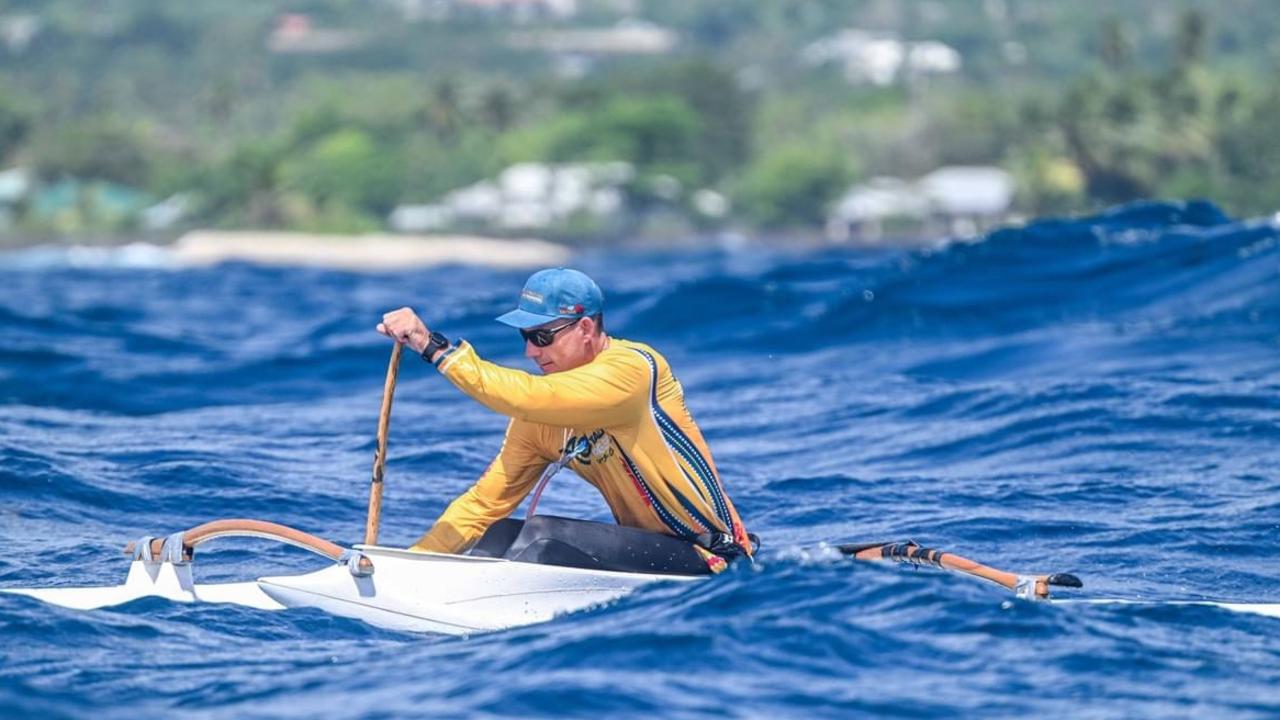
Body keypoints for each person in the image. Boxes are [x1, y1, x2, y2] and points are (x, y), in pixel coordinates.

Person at [376, 267, 753, 573]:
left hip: (713, 558)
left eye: (541, 336)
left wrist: (432, 347)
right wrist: (411, 564)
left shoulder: (631, 370)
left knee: (541, 537)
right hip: (651, 556)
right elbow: (481, 505)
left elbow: (525, 394)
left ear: (586, 329)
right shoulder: (541, 423)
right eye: (525, 336)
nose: (529, 351)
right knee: (498, 535)